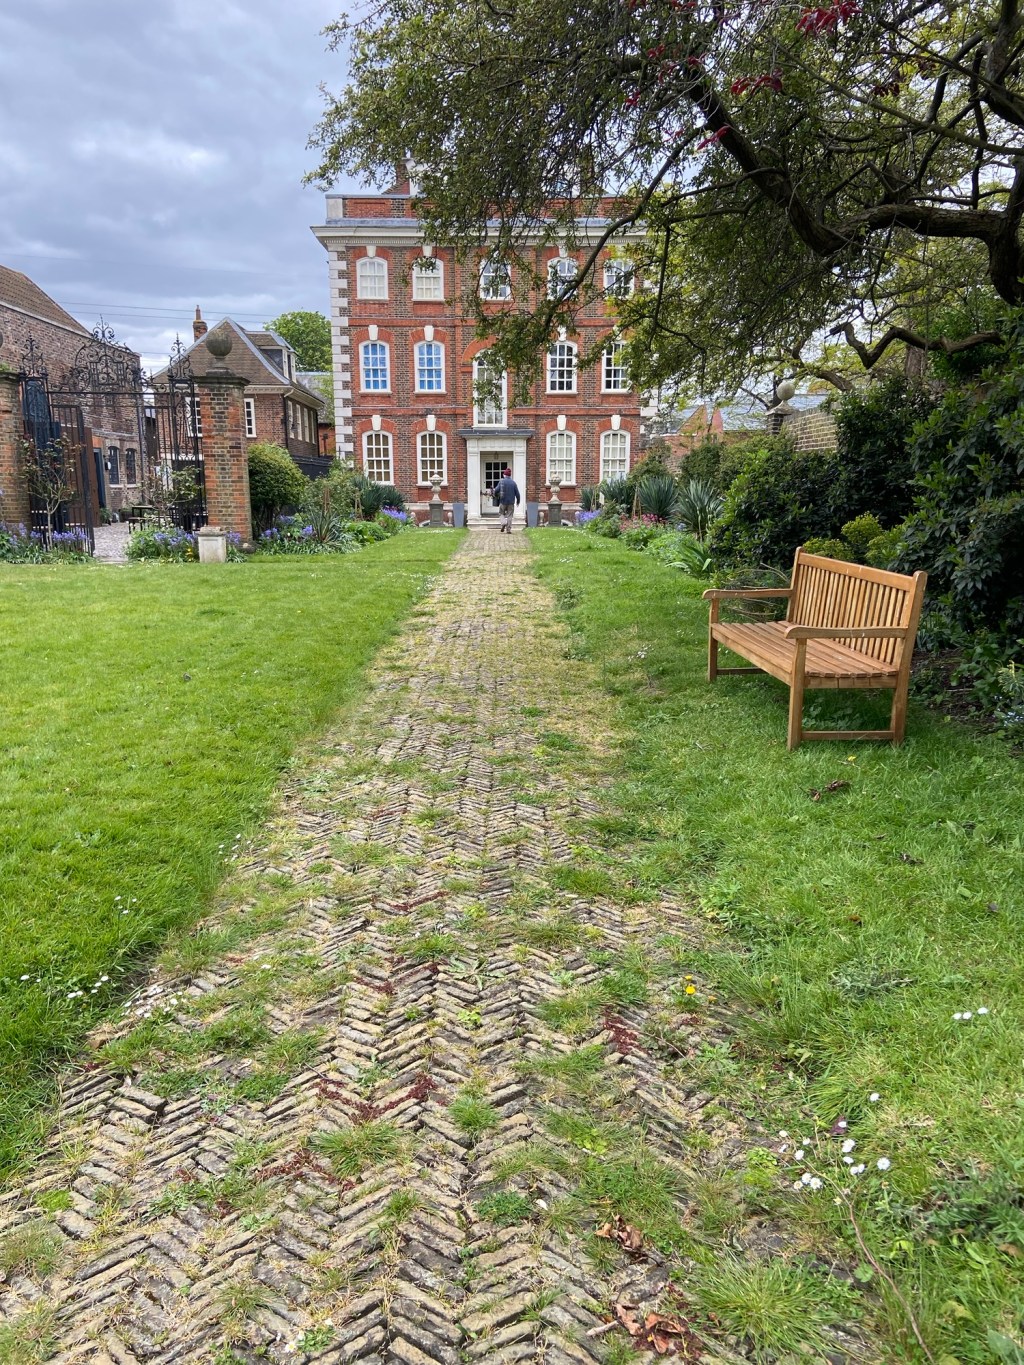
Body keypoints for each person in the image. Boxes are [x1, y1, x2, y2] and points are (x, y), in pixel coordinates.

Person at [495, 466, 520, 533]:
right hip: (511, 502)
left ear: (504, 475)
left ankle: (503, 523)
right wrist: (518, 501)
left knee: (501, 513)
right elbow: (517, 493)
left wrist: (495, 494)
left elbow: (496, 490)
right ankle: (508, 529)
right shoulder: (513, 483)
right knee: (509, 515)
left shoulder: (501, 481)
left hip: (503, 501)